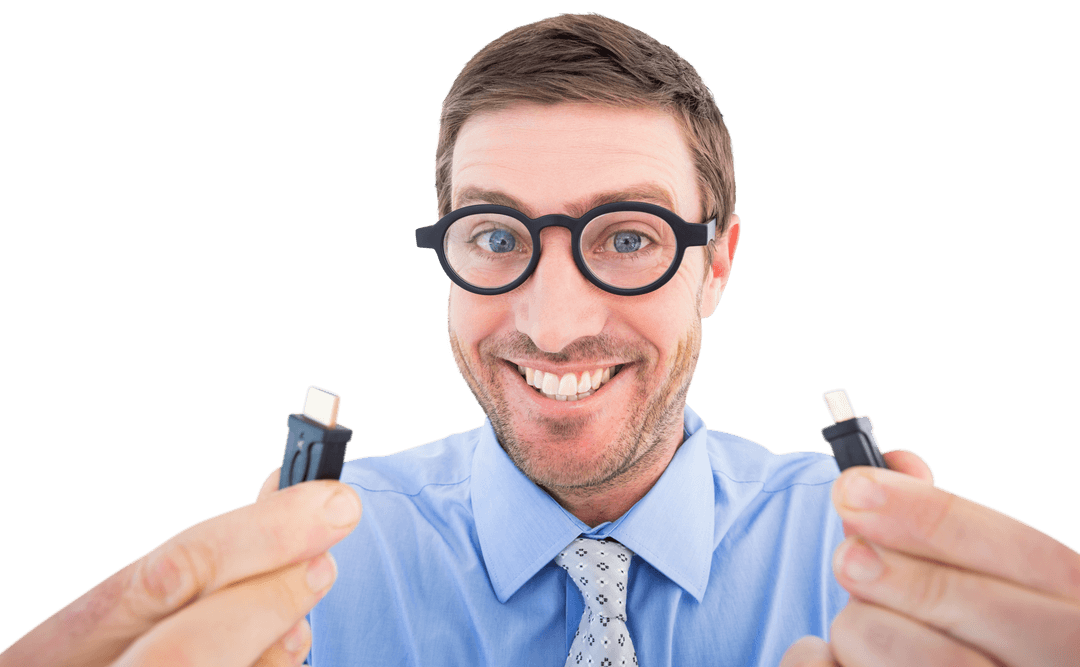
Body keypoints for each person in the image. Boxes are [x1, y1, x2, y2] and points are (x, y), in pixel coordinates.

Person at [3, 12, 1077, 667]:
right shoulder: (303, 580)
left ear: (717, 263)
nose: (554, 323)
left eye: (628, 236)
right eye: (495, 235)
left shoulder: (870, 570)